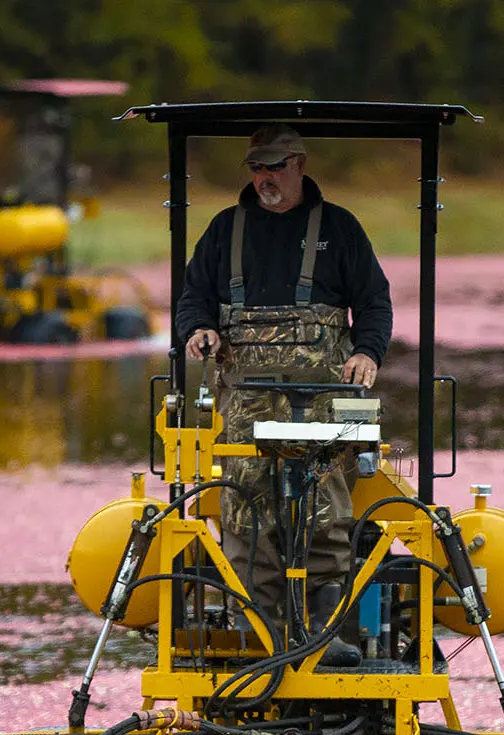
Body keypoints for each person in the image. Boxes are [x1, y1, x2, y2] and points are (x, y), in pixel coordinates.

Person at [174, 124, 393, 666]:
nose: (264, 177)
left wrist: (367, 352)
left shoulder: (339, 229)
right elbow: (192, 297)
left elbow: (374, 302)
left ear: (299, 164)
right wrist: (199, 330)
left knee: (325, 508)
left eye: (274, 166)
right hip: (243, 405)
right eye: (255, 167)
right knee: (247, 513)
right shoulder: (226, 229)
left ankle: (325, 633)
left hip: (323, 402)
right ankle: (262, 638)